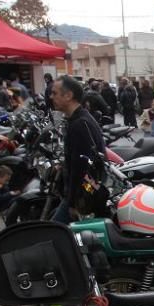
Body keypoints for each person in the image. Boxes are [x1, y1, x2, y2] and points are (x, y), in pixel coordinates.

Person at [50, 76, 106, 224]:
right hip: (79, 194)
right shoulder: (77, 119)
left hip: (81, 197)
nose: (51, 97)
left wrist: (73, 203)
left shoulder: (80, 124)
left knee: (54, 233)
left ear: (68, 96)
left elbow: (81, 168)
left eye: (54, 93)